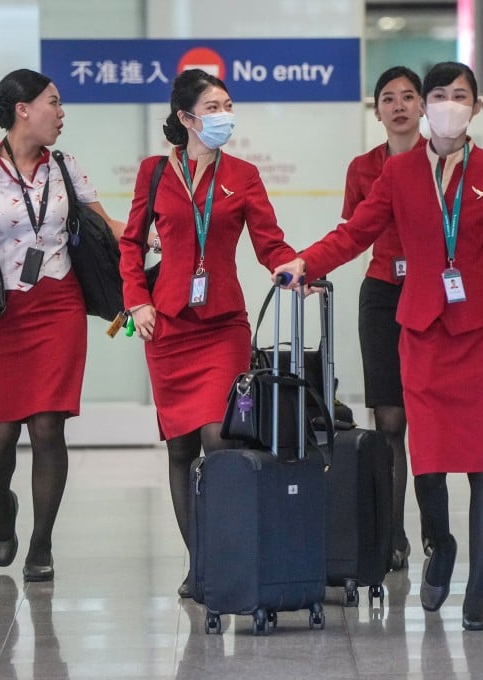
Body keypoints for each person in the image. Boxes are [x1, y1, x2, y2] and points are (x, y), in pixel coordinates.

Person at [273, 61, 483, 631]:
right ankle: (439, 544)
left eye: (457, 95)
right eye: (439, 93)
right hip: (420, 331)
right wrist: (304, 262)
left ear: (475, 106)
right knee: (429, 461)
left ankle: (476, 595)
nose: (447, 103)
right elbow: (353, 233)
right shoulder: (398, 174)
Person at [0, 69, 125, 582]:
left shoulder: (66, 167)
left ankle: (41, 543)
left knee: (47, 426)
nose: (61, 114)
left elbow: (108, 227)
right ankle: (3, 502)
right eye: (53, 103)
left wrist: (157, 236)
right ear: (23, 109)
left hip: (57, 303)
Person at [118, 69, 299, 598]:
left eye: (227, 105)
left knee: (219, 440)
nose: (224, 115)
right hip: (167, 326)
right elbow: (131, 245)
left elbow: (270, 241)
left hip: (222, 324)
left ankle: (227, 551)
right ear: (186, 118)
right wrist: (136, 302)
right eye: (213, 107)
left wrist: (293, 268)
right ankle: (200, 563)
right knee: (179, 448)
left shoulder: (242, 174)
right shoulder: (154, 173)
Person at [341, 66, 427, 571]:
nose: (399, 106)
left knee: (429, 419)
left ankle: (433, 526)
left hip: (432, 294)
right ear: (377, 112)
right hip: (381, 295)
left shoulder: (440, 160)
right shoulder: (362, 167)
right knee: (390, 420)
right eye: (388, 99)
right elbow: (352, 232)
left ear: (422, 107)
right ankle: (392, 532)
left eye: (408, 97)